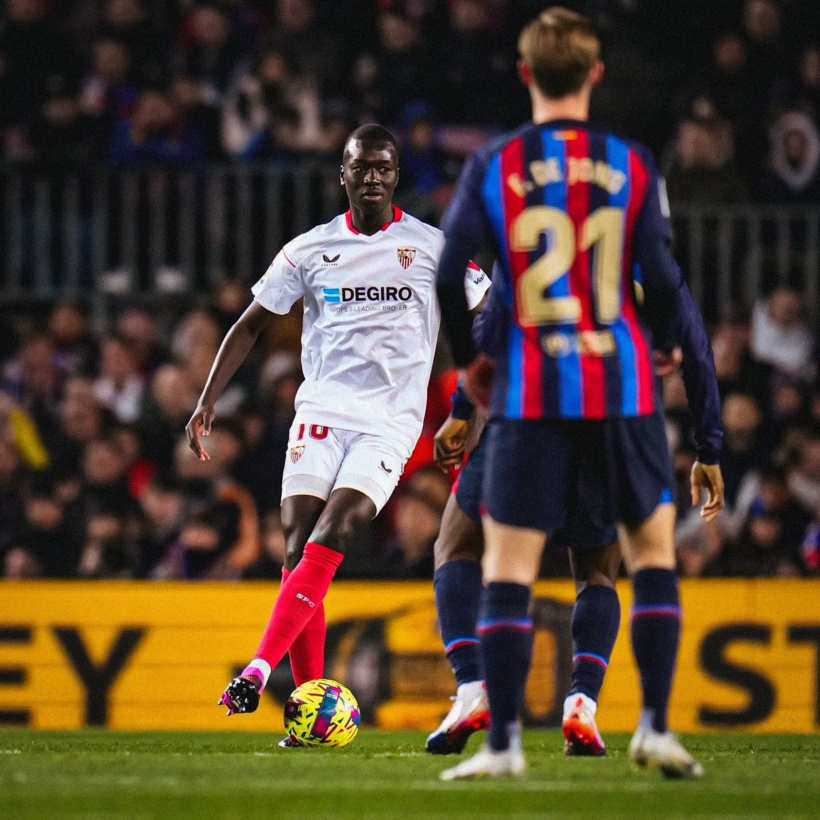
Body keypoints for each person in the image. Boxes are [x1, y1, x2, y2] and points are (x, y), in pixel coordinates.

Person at [434, 7, 718, 780]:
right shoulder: (632, 164)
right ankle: (654, 728)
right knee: (649, 558)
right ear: (595, 76)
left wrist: (471, 369)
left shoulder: (494, 163)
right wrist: (660, 343)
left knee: (507, 569)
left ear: (525, 76)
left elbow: (449, 270)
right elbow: (661, 278)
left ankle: (501, 748)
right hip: (620, 389)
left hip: (530, 390)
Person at [185, 124, 489, 743]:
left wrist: (474, 405)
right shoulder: (310, 249)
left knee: (337, 529)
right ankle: (306, 715)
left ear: (396, 176)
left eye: (384, 167)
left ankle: (258, 667)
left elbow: (487, 319)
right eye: (361, 167)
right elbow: (248, 326)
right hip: (320, 412)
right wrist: (206, 400)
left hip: (389, 424)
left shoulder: (435, 247)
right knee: (297, 548)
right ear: (343, 175)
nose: (372, 177)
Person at [426, 279, 724, 758]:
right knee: (597, 572)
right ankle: (584, 703)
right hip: (614, 423)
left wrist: (462, 410)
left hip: (530, 415)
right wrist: (708, 445)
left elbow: (488, 326)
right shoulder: (641, 242)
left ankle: (473, 689)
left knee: (462, 547)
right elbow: (694, 346)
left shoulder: (536, 230)